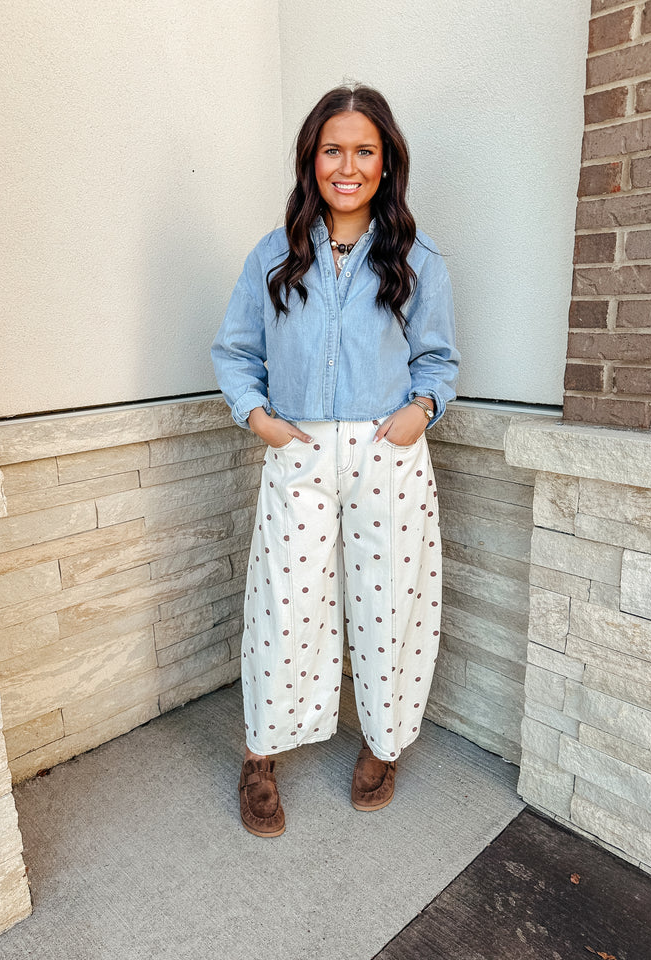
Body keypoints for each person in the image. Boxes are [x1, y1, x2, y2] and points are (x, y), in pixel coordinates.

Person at [211, 84, 459, 838]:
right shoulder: (272, 256)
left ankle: (383, 746)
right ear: (310, 160)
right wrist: (261, 420)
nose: (347, 167)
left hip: (389, 452)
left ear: (386, 163)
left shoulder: (416, 258)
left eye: (363, 151)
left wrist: (420, 412)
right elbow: (236, 350)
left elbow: (438, 360)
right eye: (332, 150)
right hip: (301, 451)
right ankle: (260, 756)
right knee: (285, 606)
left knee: (391, 606)